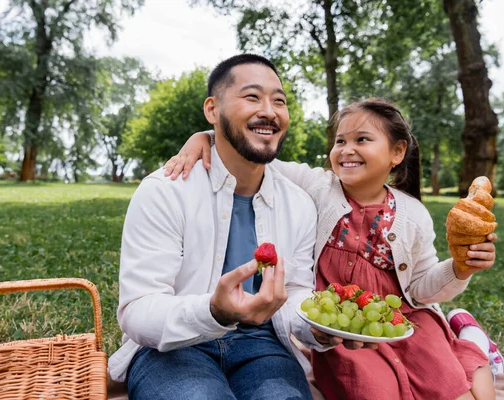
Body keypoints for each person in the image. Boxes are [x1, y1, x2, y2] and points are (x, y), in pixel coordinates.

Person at [165, 98, 499, 399]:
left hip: (404, 321)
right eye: (340, 141)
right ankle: (467, 342)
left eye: (362, 140)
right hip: (343, 329)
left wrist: (459, 268)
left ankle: (473, 342)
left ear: (397, 153)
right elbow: (254, 155)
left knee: (460, 389)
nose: (346, 149)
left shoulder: (413, 214)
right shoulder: (318, 187)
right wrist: (205, 138)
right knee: (370, 391)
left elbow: (421, 287)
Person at [108, 54, 342, 400]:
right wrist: (213, 311)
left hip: (265, 348)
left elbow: (293, 291)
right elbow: (139, 310)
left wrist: (316, 327)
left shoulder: (298, 203)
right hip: (172, 351)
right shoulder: (165, 191)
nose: (269, 110)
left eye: (279, 100)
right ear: (212, 110)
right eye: (252, 97)